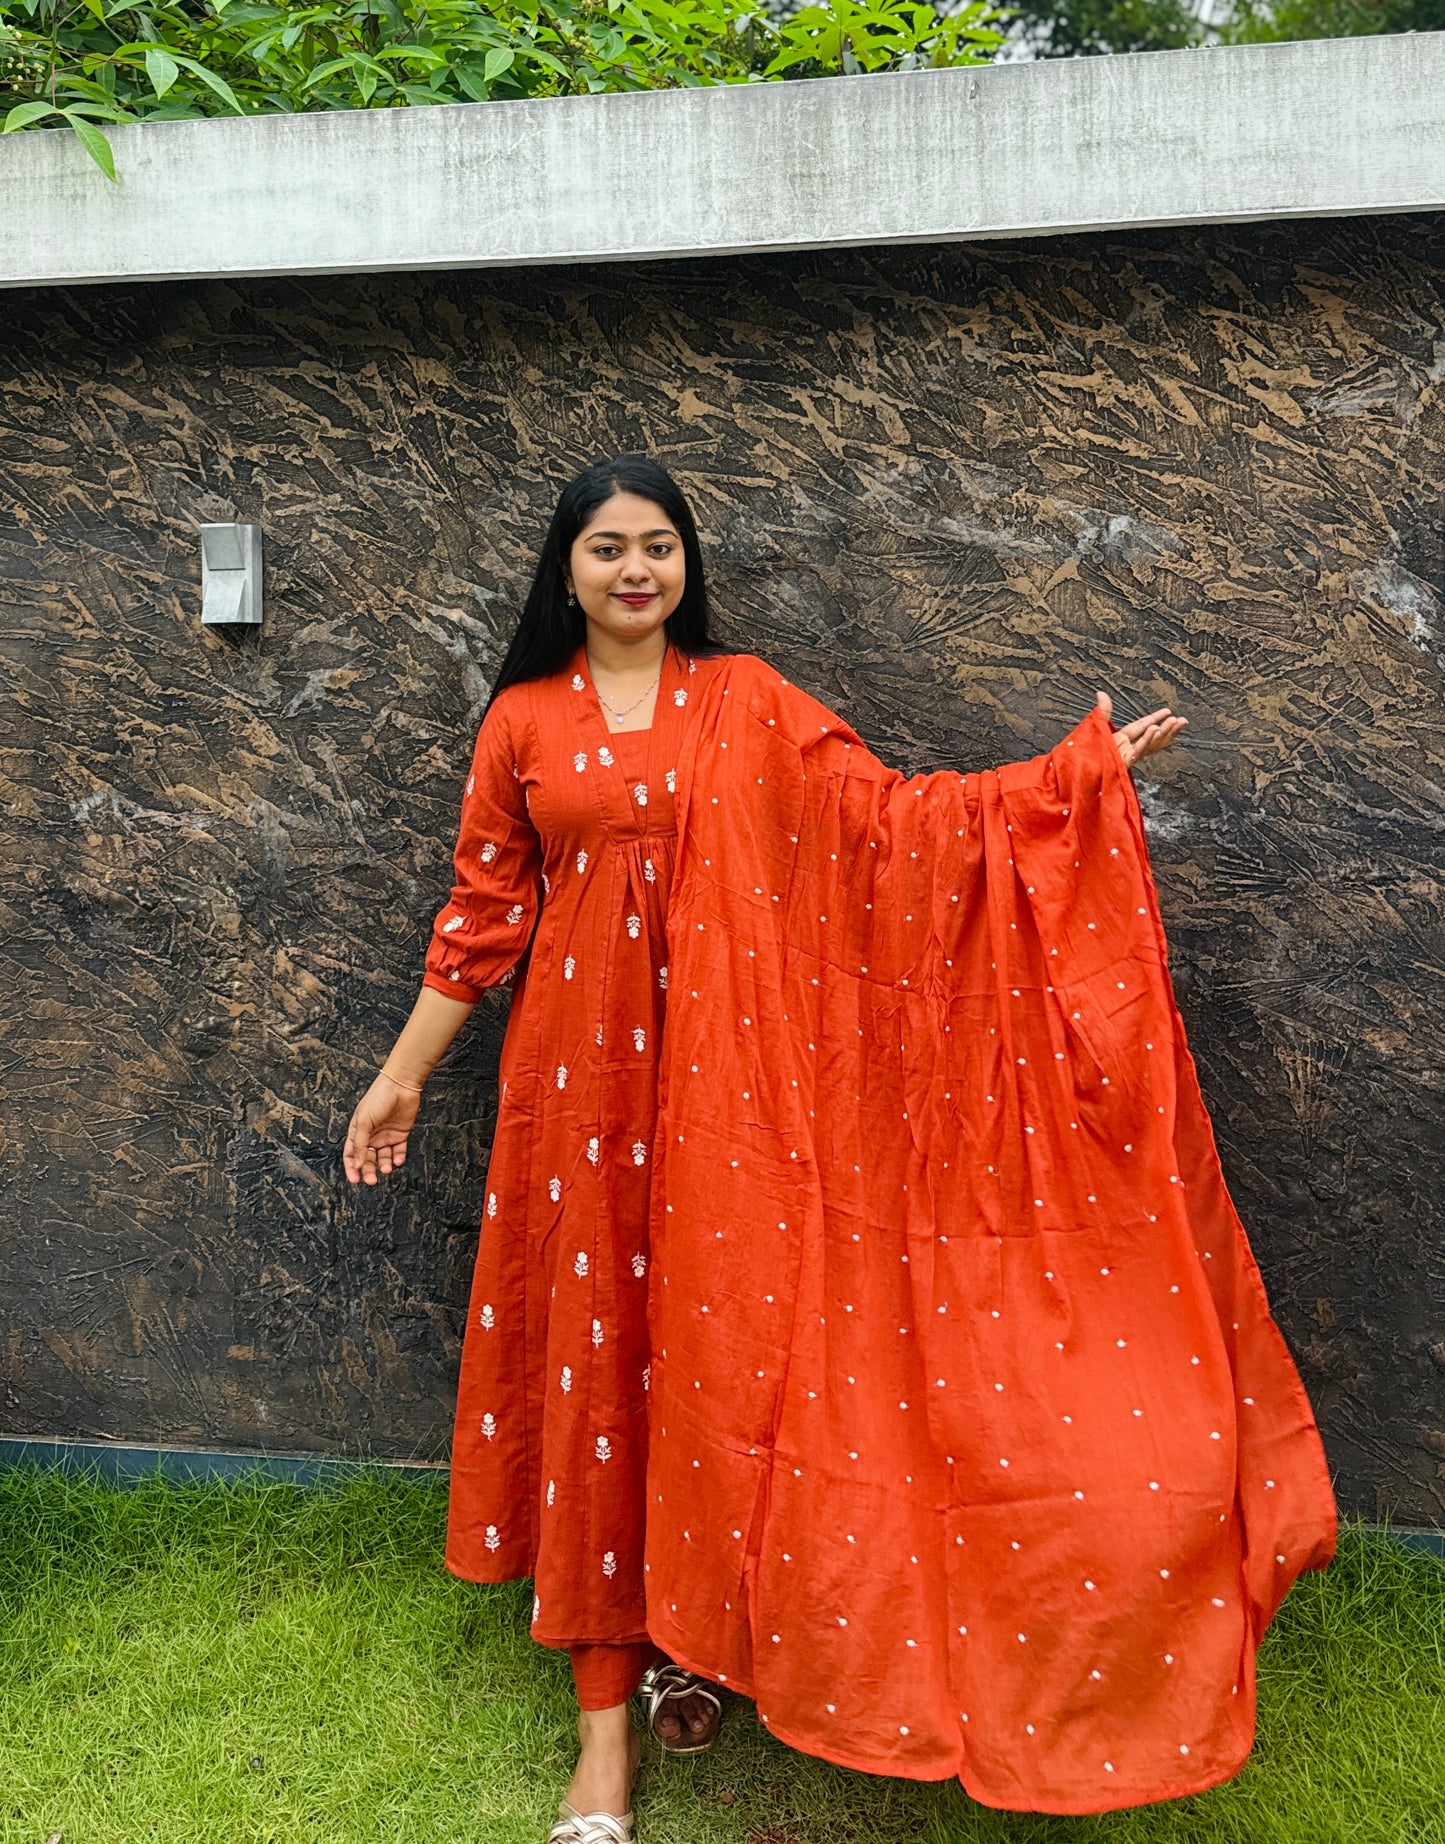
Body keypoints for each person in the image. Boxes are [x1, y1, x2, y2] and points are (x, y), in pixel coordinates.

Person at [344, 456, 1335, 1839]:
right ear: (562, 569)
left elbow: (887, 824)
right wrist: (398, 1083)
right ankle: (600, 1746)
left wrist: (1064, 784)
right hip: (576, 1099)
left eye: (659, 547)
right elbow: (479, 921)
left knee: (724, 1355)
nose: (637, 570)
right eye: (608, 549)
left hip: (735, 1101)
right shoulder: (520, 722)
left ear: (686, 566)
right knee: (595, 1362)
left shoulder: (744, 702)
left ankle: (704, 1642)